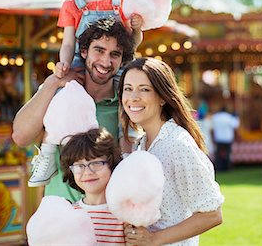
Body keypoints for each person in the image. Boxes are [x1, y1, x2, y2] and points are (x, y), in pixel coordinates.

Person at [12, 18, 135, 201]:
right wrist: (54, 81)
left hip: (107, 216)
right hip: (62, 215)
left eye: (115, 54)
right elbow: (21, 137)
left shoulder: (126, 105)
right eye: (99, 50)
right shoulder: (59, 94)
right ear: (84, 51)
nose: (105, 61)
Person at [119, 58, 224, 246]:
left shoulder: (177, 144)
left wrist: (153, 239)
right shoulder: (142, 144)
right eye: (128, 88)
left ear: (162, 97)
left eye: (144, 89)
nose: (133, 97)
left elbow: (212, 214)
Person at [61, 128, 126, 245]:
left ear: (111, 165)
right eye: (79, 166)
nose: (87, 172)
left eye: (96, 163)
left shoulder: (126, 213)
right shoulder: (69, 214)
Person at [211, 106, 240, 172]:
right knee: (228, 153)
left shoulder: (216, 117)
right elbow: (236, 125)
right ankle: (227, 167)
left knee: (218, 154)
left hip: (219, 138)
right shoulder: (229, 117)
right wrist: (237, 117)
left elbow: (212, 127)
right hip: (227, 138)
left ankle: (218, 167)